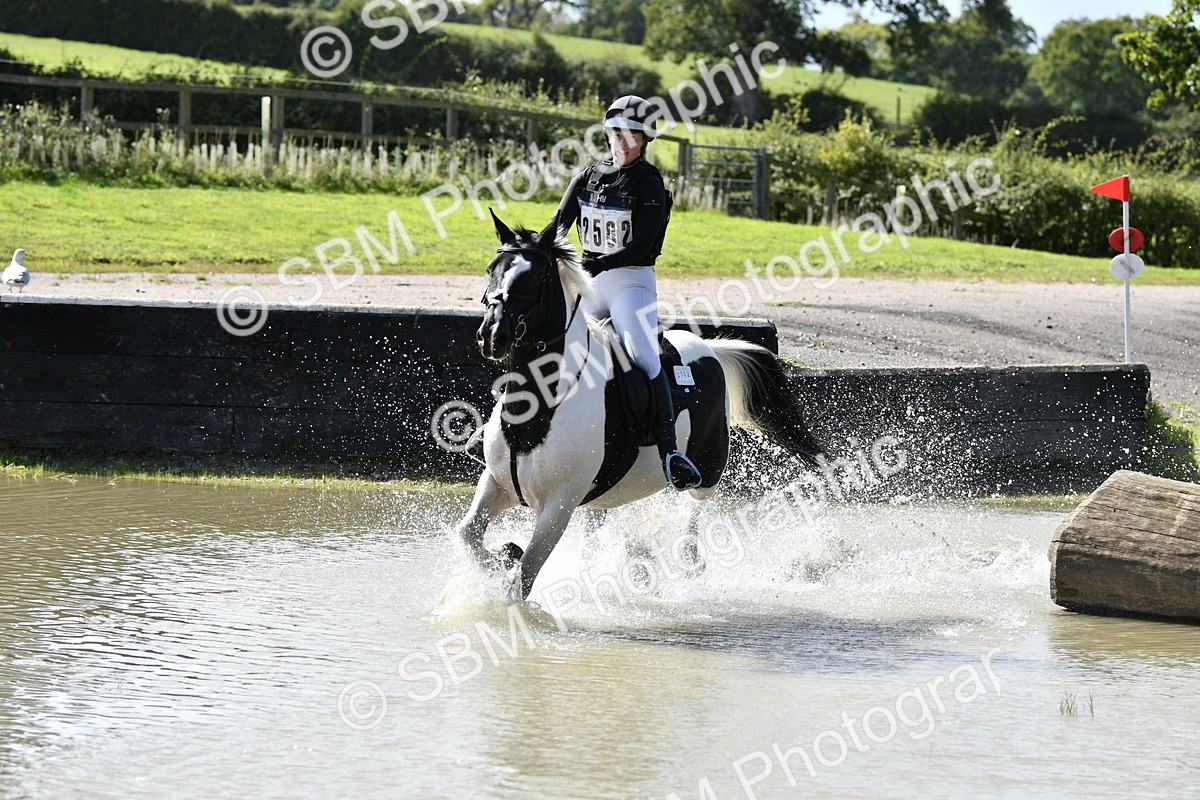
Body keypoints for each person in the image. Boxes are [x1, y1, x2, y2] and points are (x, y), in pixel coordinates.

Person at [554, 95, 703, 491]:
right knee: (549, 335)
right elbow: (558, 226)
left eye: (630, 135)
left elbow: (642, 246)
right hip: (591, 279)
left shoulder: (649, 183)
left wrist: (595, 266)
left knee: (644, 356)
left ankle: (671, 453)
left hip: (630, 283)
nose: (621, 142)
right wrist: (532, 252)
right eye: (615, 133)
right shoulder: (588, 177)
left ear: (644, 138)